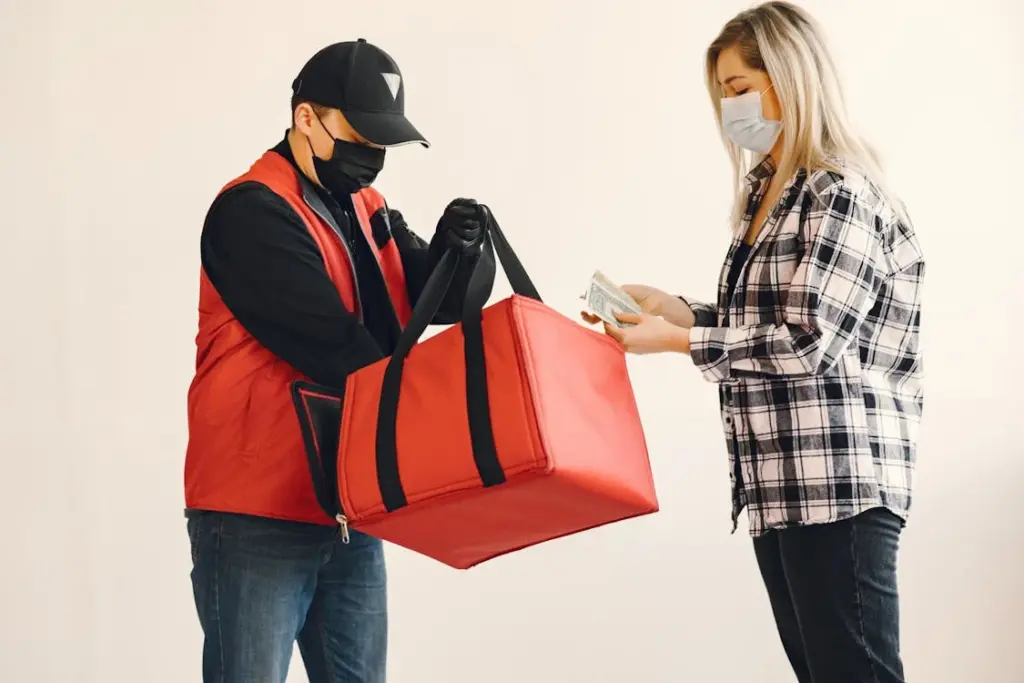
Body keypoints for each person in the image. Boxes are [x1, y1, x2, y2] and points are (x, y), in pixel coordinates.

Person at [583, 3, 924, 682]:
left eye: (741, 88)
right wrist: (679, 310)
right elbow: (774, 317)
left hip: (837, 487)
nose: (731, 108)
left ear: (793, 79)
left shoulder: (840, 192)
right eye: (723, 95)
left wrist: (682, 341)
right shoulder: (774, 192)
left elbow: (810, 341)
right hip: (780, 489)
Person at [183, 38, 486, 683]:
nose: (371, 156)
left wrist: (463, 253)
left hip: (348, 507)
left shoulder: (367, 209)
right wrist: (446, 418)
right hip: (255, 512)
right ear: (306, 119)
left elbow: (441, 299)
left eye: (382, 141)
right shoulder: (251, 213)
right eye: (359, 134)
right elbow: (335, 345)